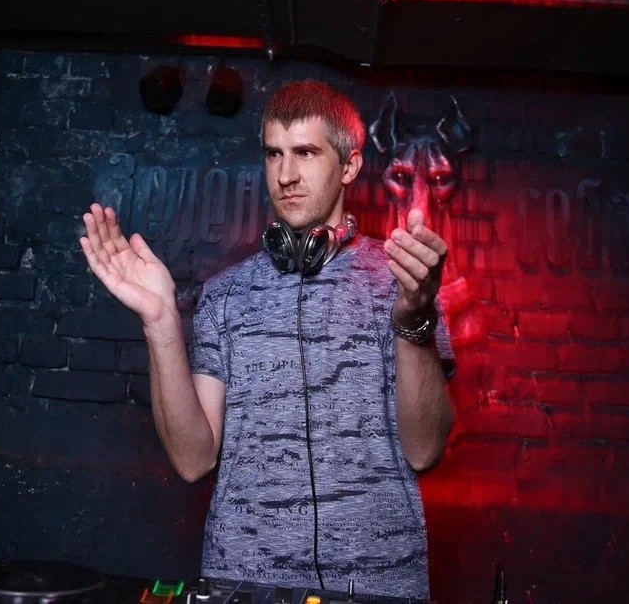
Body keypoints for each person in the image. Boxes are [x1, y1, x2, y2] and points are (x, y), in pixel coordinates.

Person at [79, 80, 454, 600]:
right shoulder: (224, 295)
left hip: (379, 583)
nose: (285, 174)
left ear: (349, 166)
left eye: (306, 153)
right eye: (274, 154)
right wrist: (160, 322)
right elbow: (193, 459)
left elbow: (425, 450)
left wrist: (414, 319)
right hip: (243, 580)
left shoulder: (403, 283)